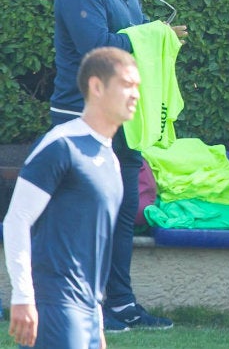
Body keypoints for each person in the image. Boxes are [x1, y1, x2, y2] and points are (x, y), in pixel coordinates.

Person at [49, 0, 187, 331]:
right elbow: (100, 51)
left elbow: (136, 32)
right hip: (83, 121)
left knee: (124, 213)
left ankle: (121, 303)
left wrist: (156, 33)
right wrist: (157, 35)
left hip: (123, 121)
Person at [4, 47, 140, 348]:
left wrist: (97, 322)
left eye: (138, 87)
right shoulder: (61, 145)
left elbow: (95, 247)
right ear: (96, 86)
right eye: (127, 84)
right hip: (54, 308)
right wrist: (24, 297)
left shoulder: (111, 158)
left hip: (89, 315)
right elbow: (16, 221)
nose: (136, 95)